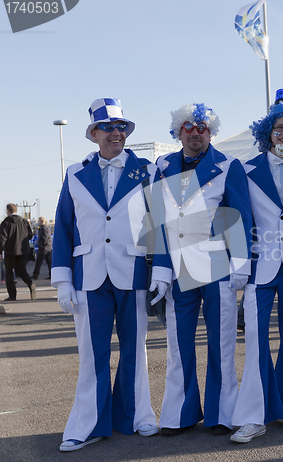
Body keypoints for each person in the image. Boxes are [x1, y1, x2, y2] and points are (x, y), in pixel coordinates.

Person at [52, 98, 169, 452]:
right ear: (93, 134)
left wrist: (161, 270)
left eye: (121, 127)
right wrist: (61, 280)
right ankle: (87, 423)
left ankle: (138, 416)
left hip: (133, 272)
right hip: (88, 275)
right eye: (107, 128)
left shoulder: (147, 171)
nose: (115, 134)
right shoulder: (75, 173)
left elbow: (160, 223)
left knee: (136, 350)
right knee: (91, 353)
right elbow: (63, 229)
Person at [156, 103, 253, 437]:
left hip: (216, 264)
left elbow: (240, 215)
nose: (195, 132)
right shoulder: (163, 164)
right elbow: (156, 219)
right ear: (177, 130)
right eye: (188, 127)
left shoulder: (228, 165)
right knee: (177, 342)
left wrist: (241, 263)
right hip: (178, 264)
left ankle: (221, 412)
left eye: (202, 127)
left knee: (221, 342)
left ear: (211, 132)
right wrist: (159, 267)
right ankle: (179, 413)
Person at [230, 90, 283, 443]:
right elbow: (234, 219)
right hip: (259, 268)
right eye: (278, 128)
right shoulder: (244, 169)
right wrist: (237, 264)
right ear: (267, 132)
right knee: (255, 340)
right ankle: (253, 415)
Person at [0, 203, 36, 301]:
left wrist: (1, 251)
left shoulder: (6, 222)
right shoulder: (24, 221)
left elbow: (2, 238)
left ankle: (12, 295)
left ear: (8, 211)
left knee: (9, 273)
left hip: (10, 251)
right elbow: (30, 235)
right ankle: (30, 284)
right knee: (22, 271)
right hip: (23, 251)